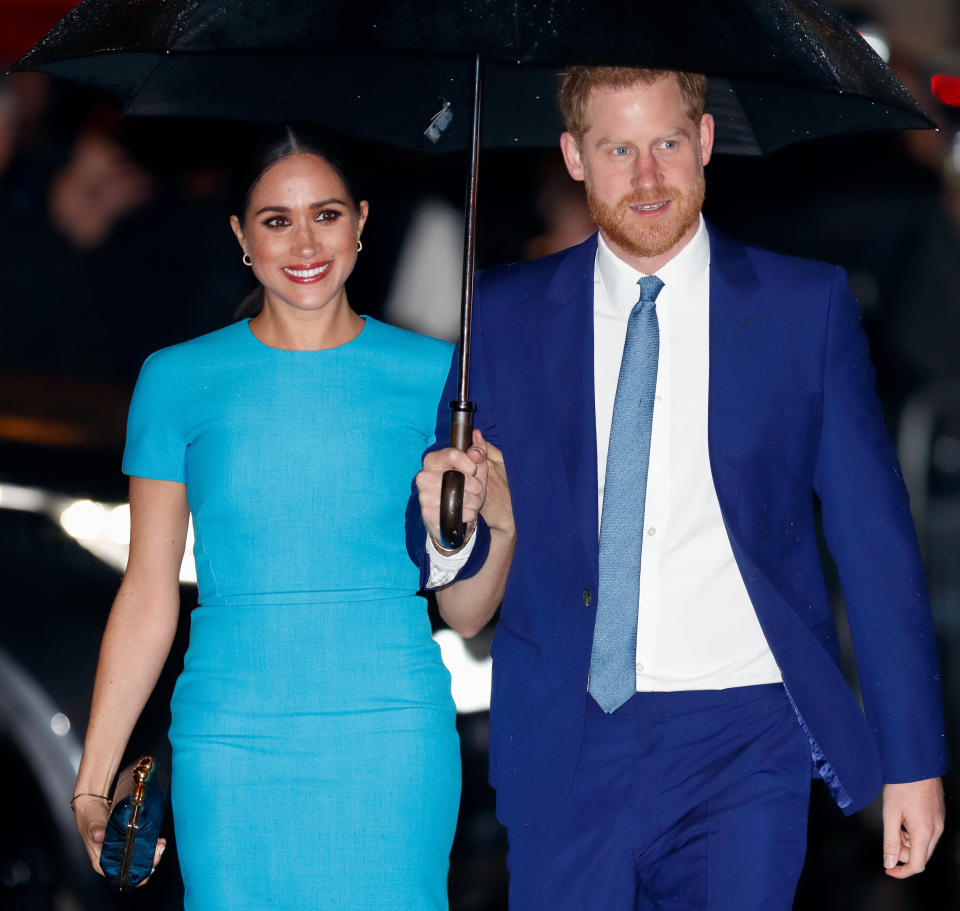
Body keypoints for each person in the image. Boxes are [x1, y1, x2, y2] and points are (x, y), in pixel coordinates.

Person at [410, 67, 947, 909]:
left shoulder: (804, 307)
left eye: (666, 143)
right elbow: (442, 532)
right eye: (618, 149)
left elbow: (874, 543)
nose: (648, 177)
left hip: (745, 738)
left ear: (703, 143)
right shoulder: (504, 314)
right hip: (566, 736)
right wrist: (452, 521)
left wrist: (913, 761)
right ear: (575, 157)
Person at [72, 128, 460, 910]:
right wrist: (94, 778)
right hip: (232, 735)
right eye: (277, 220)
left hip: (389, 731)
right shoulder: (177, 379)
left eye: (326, 214)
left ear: (360, 222)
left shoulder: (438, 378)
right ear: (241, 237)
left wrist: (481, 524)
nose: (306, 240)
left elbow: (466, 593)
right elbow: (149, 591)